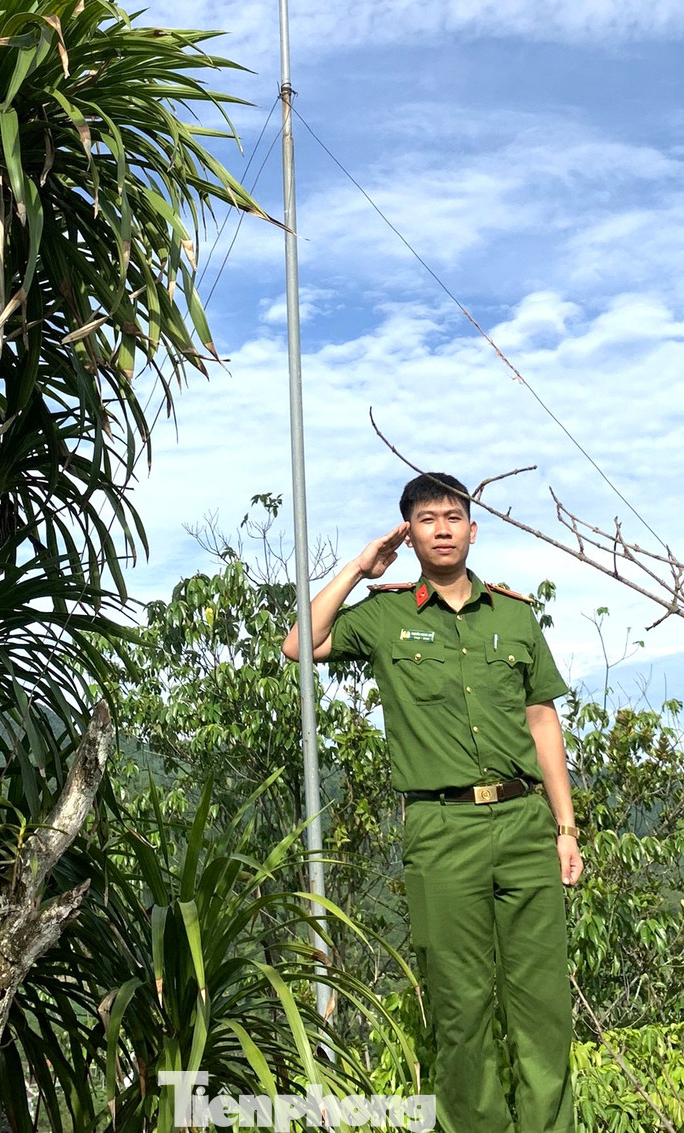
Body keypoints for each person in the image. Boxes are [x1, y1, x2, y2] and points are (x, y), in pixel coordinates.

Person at [282, 470, 582, 1133]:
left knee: (542, 1004)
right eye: (427, 518)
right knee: (462, 1007)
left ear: (473, 529)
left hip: (526, 820)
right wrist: (359, 568)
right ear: (410, 534)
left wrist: (566, 826)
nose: (442, 527)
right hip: (441, 828)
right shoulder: (387, 614)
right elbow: (301, 643)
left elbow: (542, 719)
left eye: (453, 516)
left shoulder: (514, 614)